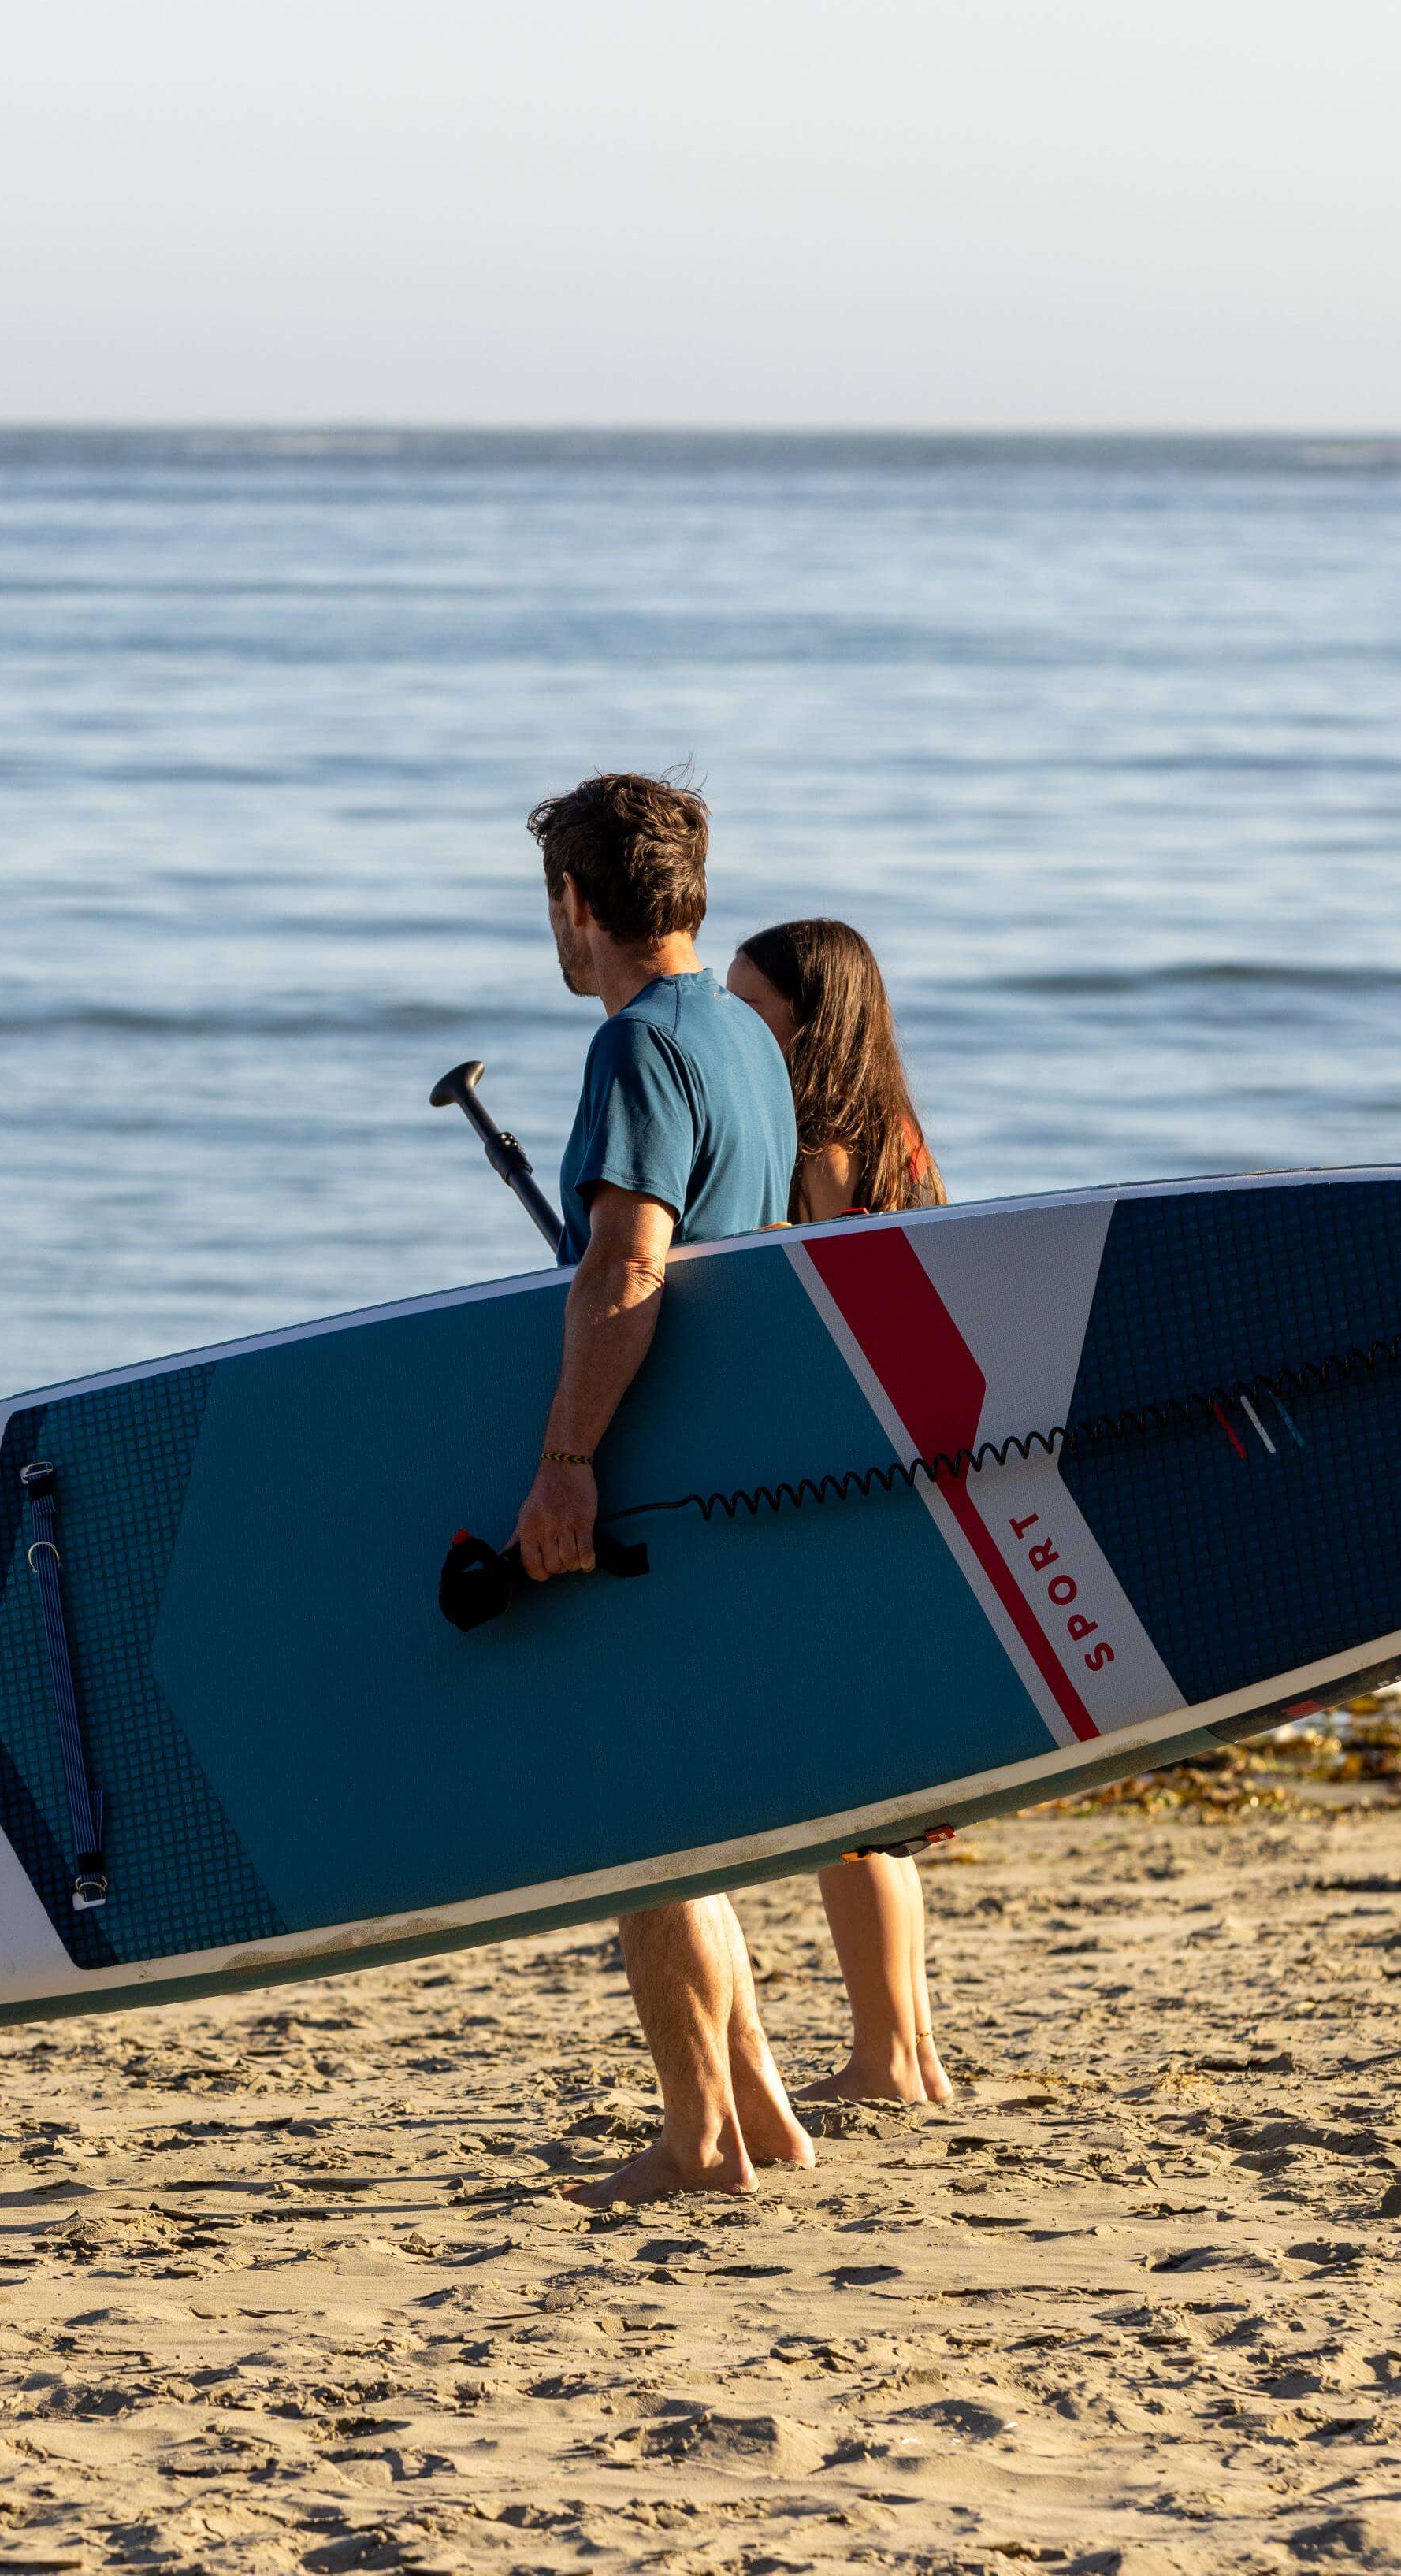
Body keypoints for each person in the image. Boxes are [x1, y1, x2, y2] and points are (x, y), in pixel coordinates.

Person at [506, 771, 812, 2209]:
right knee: (683, 1815)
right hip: (732, 1468)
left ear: (580, 904)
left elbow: (628, 1263)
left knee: (643, 1823)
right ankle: (760, 2113)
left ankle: (699, 2145)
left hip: (656, 1469)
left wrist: (566, 1462)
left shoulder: (634, 1046)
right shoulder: (747, 1039)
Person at [724, 918, 957, 2106]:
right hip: (910, 1483)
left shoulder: (821, 1148)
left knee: (852, 1804)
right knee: (888, 1800)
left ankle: (881, 2058)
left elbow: (808, 1304)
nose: (731, 1028)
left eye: (749, 1008)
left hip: (847, 1491)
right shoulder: (897, 1136)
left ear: (809, 1021)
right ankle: (911, 2051)